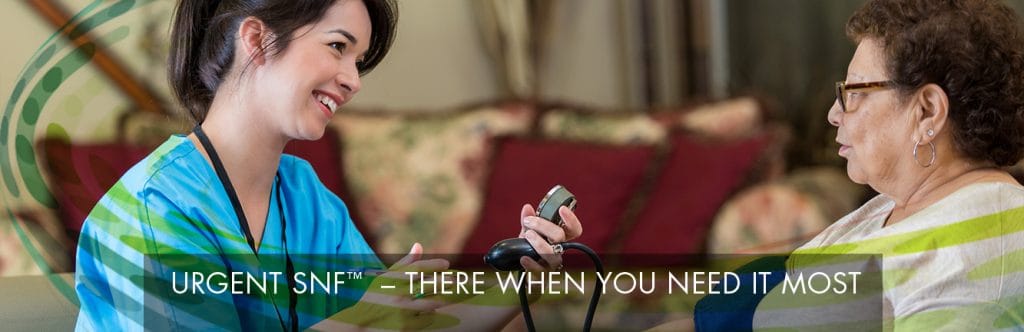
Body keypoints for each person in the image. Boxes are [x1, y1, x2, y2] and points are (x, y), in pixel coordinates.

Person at [73, 0, 582, 330]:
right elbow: (370, 320)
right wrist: (364, 316)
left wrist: (526, 283)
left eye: (357, 60)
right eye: (338, 47)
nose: (353, 79)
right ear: (257, 40)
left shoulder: (305, 196)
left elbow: (406, 327)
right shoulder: (150, 213)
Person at [655, 0, 1024, 330]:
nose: (834, 114)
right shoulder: (905, 206)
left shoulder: (966, 263)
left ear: (927, 110)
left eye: (855, 93)